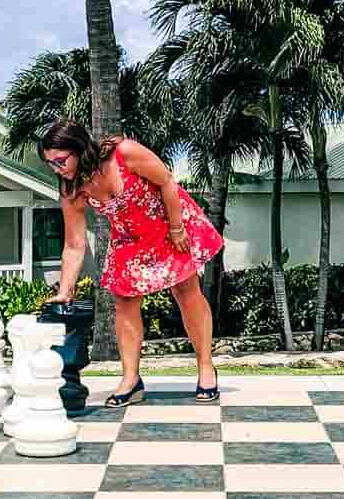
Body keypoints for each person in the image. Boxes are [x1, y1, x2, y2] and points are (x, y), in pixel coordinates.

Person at [40, 120, 223, 406]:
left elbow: (166, 181)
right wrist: (65, 290)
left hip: (166, 224)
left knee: (186, 293)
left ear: (78, 148)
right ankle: (131, 379)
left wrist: (176, 228)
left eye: (60, 161)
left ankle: (205, 367)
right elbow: (74, 244)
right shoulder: (72, 189)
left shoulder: (123, 153)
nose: (57, 169)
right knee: (124, 302)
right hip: (127, 239)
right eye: (50, 164)